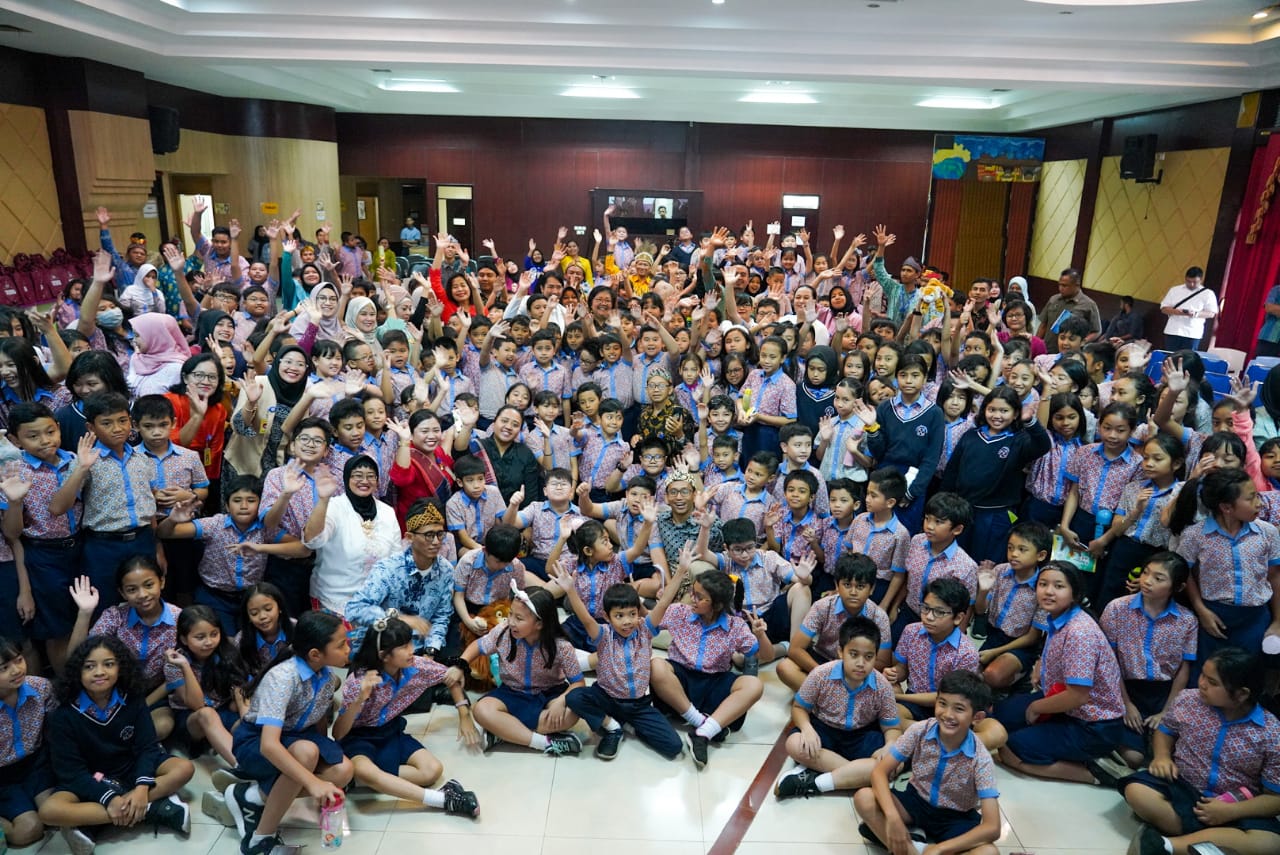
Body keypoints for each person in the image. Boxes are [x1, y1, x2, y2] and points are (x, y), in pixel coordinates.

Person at [40, 636, 194, 855]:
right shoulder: (63, 716)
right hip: (92, 778)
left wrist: (141, 787)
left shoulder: (133, 698)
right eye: (89, 666)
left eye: (109, 664)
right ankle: (151, 810)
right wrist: (109, 797)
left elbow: (147, 748)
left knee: (184, 768)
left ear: (121, 667)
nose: (100, 672)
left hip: (130, 768)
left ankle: (96, 821)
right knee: (49, 810)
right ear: (77, 672)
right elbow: (72, 773)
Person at [1121, 647, 1280, 855]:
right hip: (1183, 786)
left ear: (1241, 694)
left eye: (1213, 682)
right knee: (1136, 791)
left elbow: (1275, 797)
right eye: (1203, 675)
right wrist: (1162, 756)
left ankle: (1165, 845)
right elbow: (1165, 730)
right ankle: (1211, 843)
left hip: (1235, 805)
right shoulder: (1188, 700)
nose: (1202, 684)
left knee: (1270, 843)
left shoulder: (1271, 732)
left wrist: (1230, 811)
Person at [221, 611, 354, 855]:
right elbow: (268, 745)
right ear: (315, 653)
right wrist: (313, 782)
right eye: (342, 644)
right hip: (255, 741)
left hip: (296, 736)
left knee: (343, 771)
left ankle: (253, 795)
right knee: (306, 753)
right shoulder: (282, 677)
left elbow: (319, 722)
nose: (349, 648)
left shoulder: (326, 676)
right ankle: (260, 839)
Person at [333, 616, 479, 816]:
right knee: (368, 771)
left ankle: (356, 779)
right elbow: (339, 733)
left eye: (410, 642)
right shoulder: (358, 680)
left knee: (432, 770)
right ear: (384, 655)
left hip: (391, 732)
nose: (412, 649)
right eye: (403, 646)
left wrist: (464, 712)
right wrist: (359, 699)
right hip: (358, 738)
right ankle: (443, 799)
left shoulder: (416, 666)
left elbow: (450, 678)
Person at [853, 670, 1002, 855]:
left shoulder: (981, 758)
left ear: (977, 718)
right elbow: (879, 772)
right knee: (864, 798)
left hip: (956, 817)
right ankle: (913, 846)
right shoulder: (920, 730)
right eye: (942, 704)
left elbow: (992, 827)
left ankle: (907, 844)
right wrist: (893, 818)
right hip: (916, 800)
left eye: (959, 709)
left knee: (988, 853)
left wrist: (940, 849)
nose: (947, 714)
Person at [345, 500, 458, 655]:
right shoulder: (388, 569)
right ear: (410, 537)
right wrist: (399, 619)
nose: (436, 542)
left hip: (419, 652)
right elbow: (355, 609)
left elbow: (442, 615)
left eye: (440, 534)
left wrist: (431, 650)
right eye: (428, 535)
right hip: (383, 651)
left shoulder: (446, 570)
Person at [303, 456, 402, 616]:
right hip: (335, 601)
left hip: (376, 603)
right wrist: (323, 500)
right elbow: (312, 541)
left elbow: (396, 559)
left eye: (370, 476)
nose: (364, 480)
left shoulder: (387, 512)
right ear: (347, 478)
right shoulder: (334, 506)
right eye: (357, 475)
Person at [0, 636, 56, 848]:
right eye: (4, 667)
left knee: (54, 812)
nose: (16, 670)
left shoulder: (40, 687)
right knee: (28, 830)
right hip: (3, 777)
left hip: (35, 765)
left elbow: (57, 728)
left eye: (19, 660)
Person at [1036, 268, 1102, 352]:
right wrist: (1036, 343)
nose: (1060, 288)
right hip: (1048, 349)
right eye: (1059, 285)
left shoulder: (1088, 305)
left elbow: (1096, 331)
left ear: (1077, 285)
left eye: (1064, 286)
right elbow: (1043, 325)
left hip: (1070, 352)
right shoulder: (1054, 299)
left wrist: (1082, 342)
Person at [1160, 267, 1218, 352]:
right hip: (1173, 331)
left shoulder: (1208, 293)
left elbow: (1211, 313)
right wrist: (1177, 312)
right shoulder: (1175, 290)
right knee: (1170, 357)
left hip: (1192, 333)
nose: (1191, 284)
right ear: (1185, 278)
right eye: (1188, 281)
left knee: (1187, 360)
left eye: (1195, 282)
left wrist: (1196, 314)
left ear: (1201, 280)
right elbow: (1164, 308)